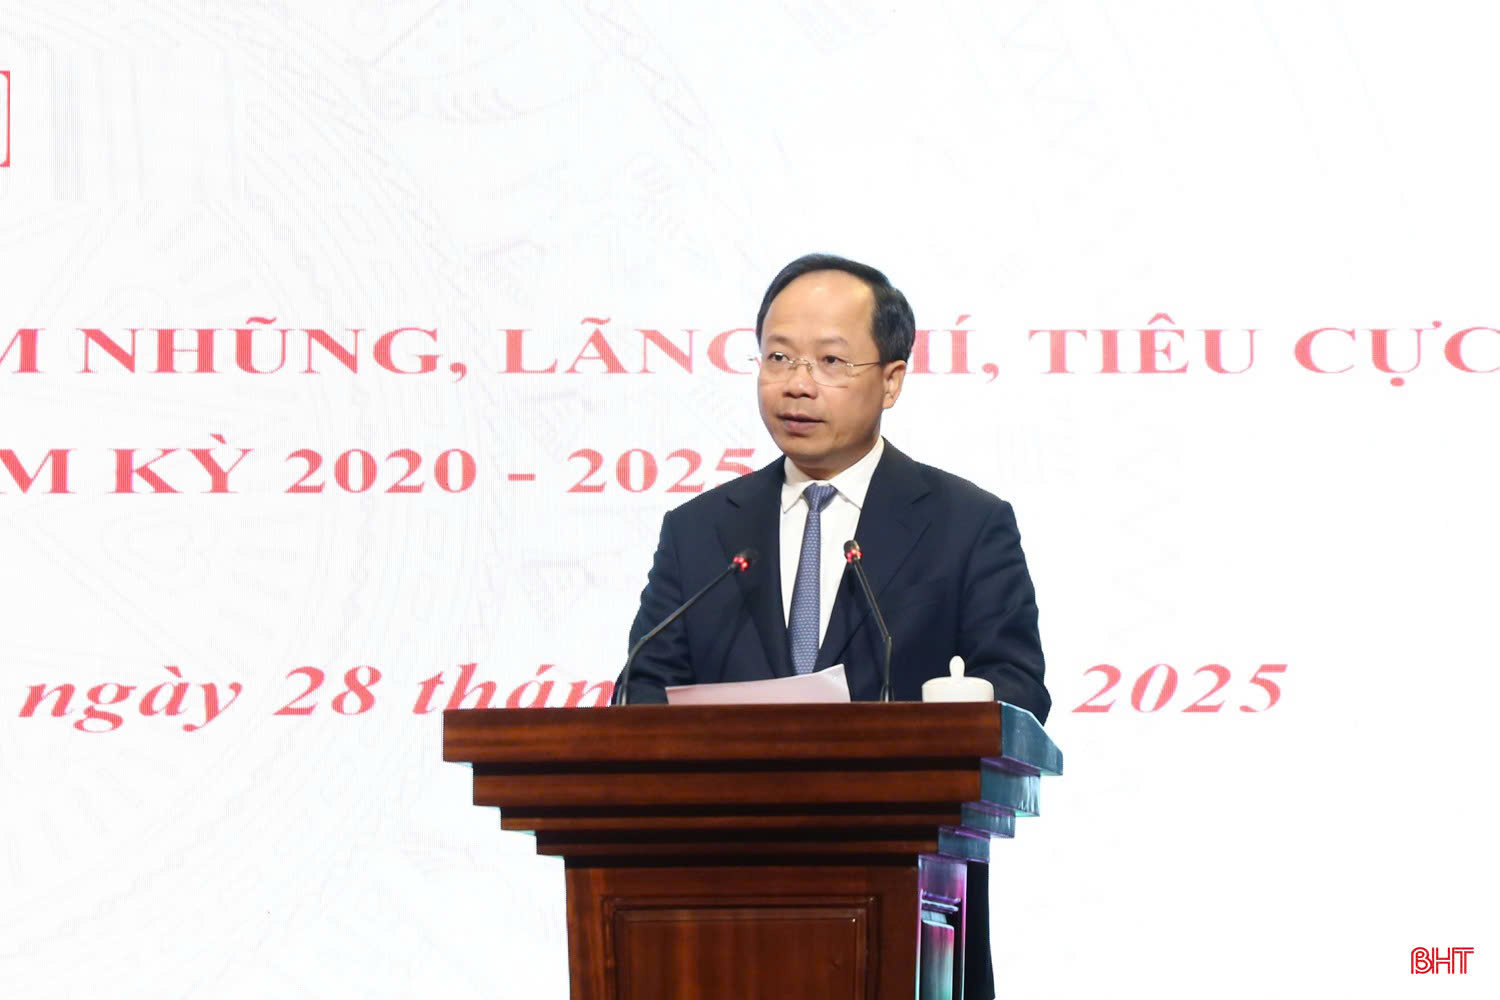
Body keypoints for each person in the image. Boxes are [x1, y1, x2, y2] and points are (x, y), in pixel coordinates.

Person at [616, 252, 1050, 999]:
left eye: (830, 361)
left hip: (906, 905)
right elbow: (643, 692)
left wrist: (928, 728)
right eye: (779, 357)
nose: (797, 383)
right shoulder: (699, 531)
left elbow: (1018, 690)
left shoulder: (966, 524)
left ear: (892, 379)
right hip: (714, 915)